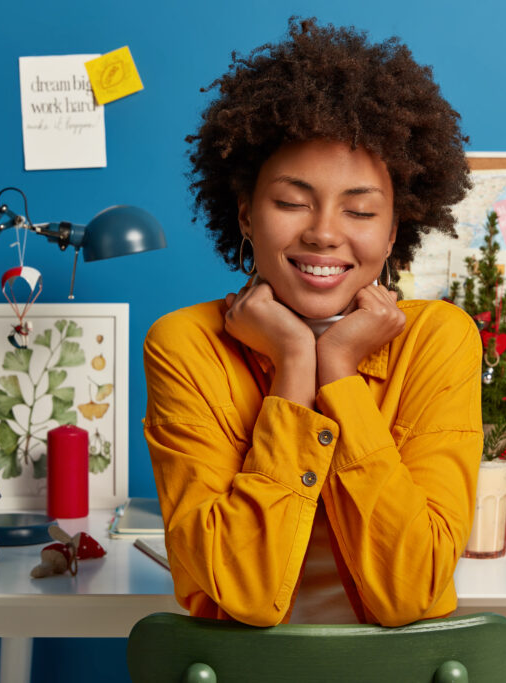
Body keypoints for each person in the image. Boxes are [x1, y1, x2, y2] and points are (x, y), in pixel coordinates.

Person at [143, 18, 480, 628]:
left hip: (397, 671)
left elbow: (413, 588)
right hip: (237, 669)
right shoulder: (185, 345)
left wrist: (339, 371)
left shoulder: (438, 339)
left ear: (393, 232)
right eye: (292, 202)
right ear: (246, 215)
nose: (324, 232)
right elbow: (242, 590)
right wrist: (295, 363)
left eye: (360, 211)